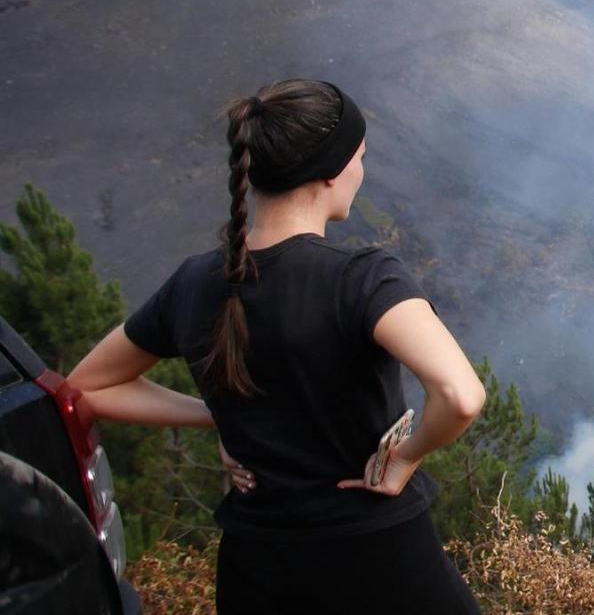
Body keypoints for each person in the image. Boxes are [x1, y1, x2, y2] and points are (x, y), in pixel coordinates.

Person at [69, 79, 486, 614]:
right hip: (379, 556)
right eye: (360, 157)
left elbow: (87, 386)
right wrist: (406, 457)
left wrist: (221, 417)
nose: (362, 170)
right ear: (330, 172)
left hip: (258, 565)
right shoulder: (361, 279)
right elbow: (461, 395)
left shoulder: (194, 283)